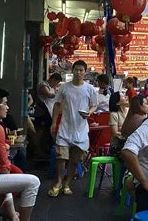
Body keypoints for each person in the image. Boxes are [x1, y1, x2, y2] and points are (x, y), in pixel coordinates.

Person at [48, 60, 98, 197]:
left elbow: (94, 105)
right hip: (65, 127)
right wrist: (54, 123)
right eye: (76, 69)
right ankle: (58, 181)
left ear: (85, 72)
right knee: (61, 157)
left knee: (75, 160)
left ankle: (67, 183)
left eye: (81, 70)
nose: (79, 72)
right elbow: (57, 105)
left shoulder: (89, 89)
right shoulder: (64, 87)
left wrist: (90, 112)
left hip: (81, 130)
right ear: (72, 71)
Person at [0, 87, 40, 221]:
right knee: (33, 182)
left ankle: (5, 209)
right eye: (5, 103)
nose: (7, 107)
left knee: (17, 173)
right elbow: (4, 165)